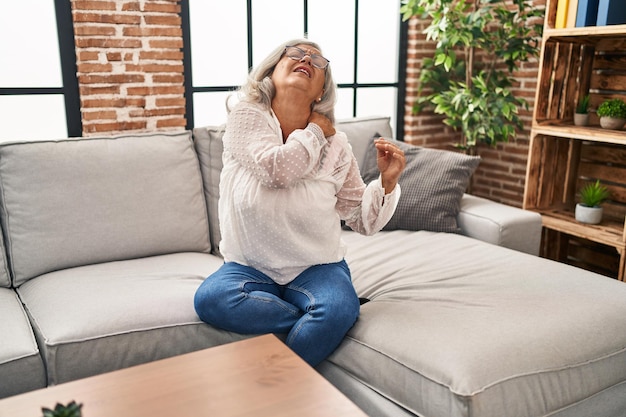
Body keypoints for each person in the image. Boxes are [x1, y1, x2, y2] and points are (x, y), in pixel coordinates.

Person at [194, 39, 406, 367]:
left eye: (317, 60)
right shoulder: (247, 118)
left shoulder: (337, 146)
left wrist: (388, 183)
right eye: (295, 53)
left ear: (321, 91)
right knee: (212, 300)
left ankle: (280, 381)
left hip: (317, 267)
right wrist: (315, 132)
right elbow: (276, 170)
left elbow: (362, 220)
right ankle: (323, 319)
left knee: (334, 308)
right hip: (248, 266)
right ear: (271, 71)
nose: (306, 57)